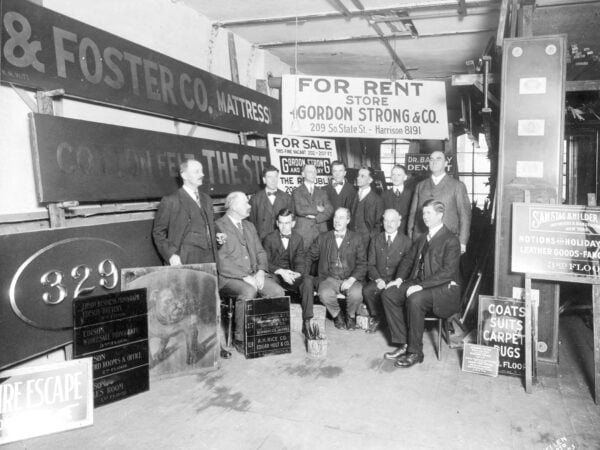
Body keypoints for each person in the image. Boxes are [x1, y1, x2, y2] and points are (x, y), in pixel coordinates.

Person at [381, 200, 462, 368]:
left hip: (442, 289)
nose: (425, 217)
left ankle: (415, 352)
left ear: (440, 215)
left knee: (415, 299)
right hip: (419, 283)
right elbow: (408, 259)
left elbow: (448, 272)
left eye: (429, 213)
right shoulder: (422, 238)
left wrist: (421, 286)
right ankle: (404, 343)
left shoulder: (451, 239)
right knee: (389, 294)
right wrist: (399, 279)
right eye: (424, 213)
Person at [215, 192, 285, 345]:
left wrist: (260, 272)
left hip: (254, 274)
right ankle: (240, 338)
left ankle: (267, 333)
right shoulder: (218, 226)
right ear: (233, 206)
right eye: (246, 203)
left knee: (277, 292)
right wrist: (244, 277)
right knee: (248, 291)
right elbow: (222, 261)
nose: (250, 206)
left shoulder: (249, 225)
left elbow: (260, 252)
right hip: (229, 279)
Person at [306, 207, 366, 330]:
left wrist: (351, 280)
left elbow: (362, 263)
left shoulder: (357, 238)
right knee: (324, 293)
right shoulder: (323, 237)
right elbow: (309, 256)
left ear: (348, 220)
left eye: (341, 217)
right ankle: (337, 314)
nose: (337, 221)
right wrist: (303, 274)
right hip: (329, 278)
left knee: (356, 294)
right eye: (335, 217)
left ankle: (350, 315)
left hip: (350, 279)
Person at [153, 159, 217, 265]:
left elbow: (212, 225)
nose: (202, 174)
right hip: (184, 258)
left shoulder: (207, 199)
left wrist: (218, 236)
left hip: (210, 257)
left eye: (202, 171)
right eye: (196, 171)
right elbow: (158, 233)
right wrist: (170, 255)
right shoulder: (171, 200)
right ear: (184, 175)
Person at [262, 208, 315, 335]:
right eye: (281, 223)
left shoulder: (298, 238)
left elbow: (300, 260)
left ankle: (307, 321)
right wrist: (281, 271)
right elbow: (265, 262)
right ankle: (276, 325)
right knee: (270, 283)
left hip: (291, 275)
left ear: (293, 223)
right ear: (277, 223)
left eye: (287, 223)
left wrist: (297, 273)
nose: (284, 227)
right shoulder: (269, 239)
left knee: (307, 281)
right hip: (275, 275)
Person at [407, 150, 471, 253]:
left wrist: (462, 242)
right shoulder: (420, 186)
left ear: (446, 163)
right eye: (431, 159)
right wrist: (411, 237)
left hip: (447, 241)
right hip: (422, 240)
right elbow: (413, 214)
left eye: (438, 159)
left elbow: (465, 216)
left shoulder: (457, 186)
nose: (434, 162)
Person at [362, 209, 413, 333]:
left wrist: (397, 281)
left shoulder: (407, 242)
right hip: (380, 278)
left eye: (393, 221)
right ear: (382, 222)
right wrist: (378, 279)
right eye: (386, 220)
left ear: (399, 223)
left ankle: (389, 320)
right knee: (368, 290)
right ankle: (377, 317)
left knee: (392, 295)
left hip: (397, 281)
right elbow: (371, 264)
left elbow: (408, 266)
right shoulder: (375, 239)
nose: (389, 224)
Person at [292, 164, 333, 250]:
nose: (313, 174)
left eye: (315, 172)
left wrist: (316, 218)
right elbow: (299, 210)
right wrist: (318, 208)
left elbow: (329, 210)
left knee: (321, 261)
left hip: (320, 233)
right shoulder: (296, 192)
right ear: (303, 174)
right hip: (303, 234)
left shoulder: (322, 192)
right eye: (310, 172)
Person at [248, 165, 293, 240]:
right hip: (262, 241)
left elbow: (291, 221)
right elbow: (251, 224)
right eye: (270, 177)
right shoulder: (255, 199)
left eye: (275, 177)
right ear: (264, 180)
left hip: (282, 240)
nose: (273, 180)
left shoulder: (287, 198)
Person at [352, 167, 384, 251]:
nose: (358, 178)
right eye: (358, 175)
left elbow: (379, 224)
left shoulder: (377, 200)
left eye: (362, 176)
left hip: (367, 242)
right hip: (351, 239)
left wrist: (371, 238)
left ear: (370, 180)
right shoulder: (352, 196)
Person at [324, 160, 357, 230]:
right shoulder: (324, 190)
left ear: (345, 173)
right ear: (332, 173)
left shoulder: (353, 190)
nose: (337, 174)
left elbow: (354, 212)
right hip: (328, 228)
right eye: (335, 171)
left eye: (340, 171)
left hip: (347, 229)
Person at [381, 164, 413, 235]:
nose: (395, 177)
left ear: (405, 177)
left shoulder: (412, 194)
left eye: (399, 175)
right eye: (393, 174)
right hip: (388, 233)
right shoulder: (384, 195)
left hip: (405, 233)